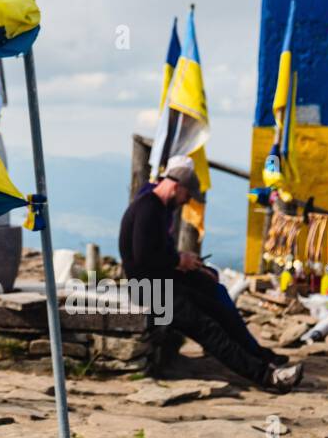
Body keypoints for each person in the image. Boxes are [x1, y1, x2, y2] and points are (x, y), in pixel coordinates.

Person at [119, 155, 303, 393]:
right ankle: (268, 377)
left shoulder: (156, 207)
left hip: (160, 284)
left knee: (217, 306)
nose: (186, 202)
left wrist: (190, 265)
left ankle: (258, 357)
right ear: (177, 186)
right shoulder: (147, 209)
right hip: (149, 291)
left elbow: (156, 255)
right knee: (207, 326)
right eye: (187, 195)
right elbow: (143, 258)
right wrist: (179, 260)